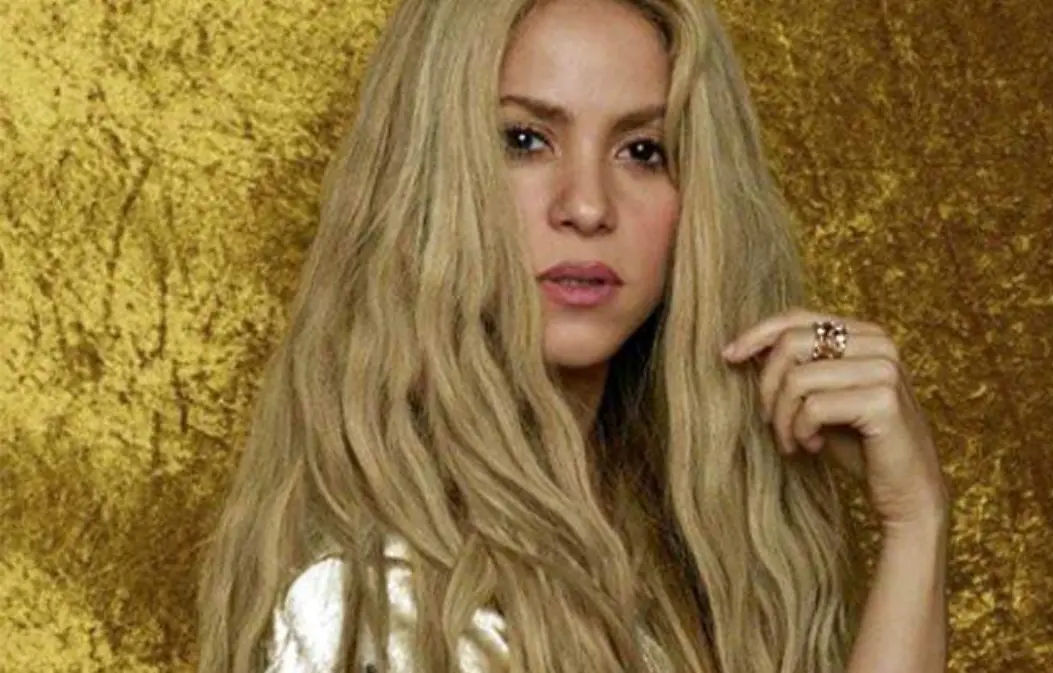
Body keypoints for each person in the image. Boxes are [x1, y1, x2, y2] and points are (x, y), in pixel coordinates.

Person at [197, 0, 950, 670]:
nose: (587, 206)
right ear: (428, 178)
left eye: (643, 150)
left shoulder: (679, 565)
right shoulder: (373, 606)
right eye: (525, 139)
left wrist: (916, 520)